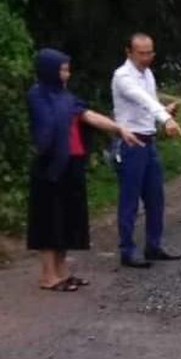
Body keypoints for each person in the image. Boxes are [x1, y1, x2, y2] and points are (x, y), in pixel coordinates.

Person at [27, 48, 143, 292]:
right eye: (63, 70)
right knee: (49, 219)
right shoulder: (38, 95)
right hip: (49, 166)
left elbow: (88, 116)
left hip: (72, 163)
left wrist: (119, 129)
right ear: (49, 71)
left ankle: (63, 272)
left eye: (67, 69)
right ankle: (48, 276)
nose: (67, 74)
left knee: (68, 219)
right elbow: (45, 132)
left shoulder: (67, 97)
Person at [112, 33, 181, 269]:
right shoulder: (123, 76)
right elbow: (142, 99)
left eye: (150, 53)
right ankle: (127, 249)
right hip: (131, 143)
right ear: (129, 52)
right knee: (130, 199)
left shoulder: (148, 74)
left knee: (156, 197)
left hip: (148, 141)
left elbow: (150, 105)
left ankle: (154, 245)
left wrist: (166, 112)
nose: (147, 58)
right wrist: (165, 118)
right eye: (141, 53)